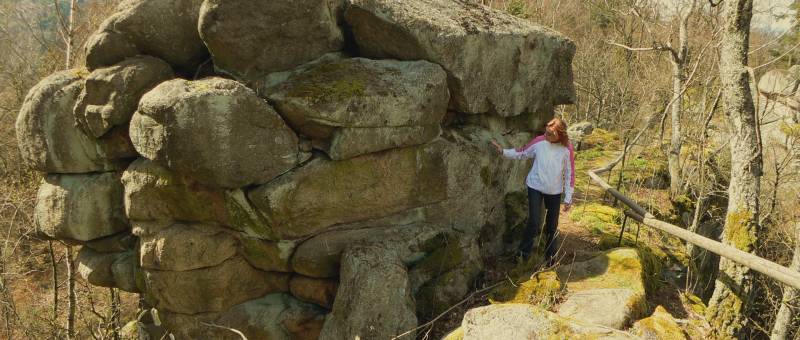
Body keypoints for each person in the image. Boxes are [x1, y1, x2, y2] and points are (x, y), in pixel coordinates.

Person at [491, 117, 575, 265]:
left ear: (560, 135)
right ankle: (522, 255)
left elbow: (570, 173)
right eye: (547, 132)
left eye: (551, 134)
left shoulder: (567, 148)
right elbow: (522, 152)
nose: (547, 135)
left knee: (552, 226)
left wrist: (568, 197)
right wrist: (503, 151)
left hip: (554, 191)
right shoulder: (539, 142)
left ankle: (550, 258)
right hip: (535, 186)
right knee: (534, 222)